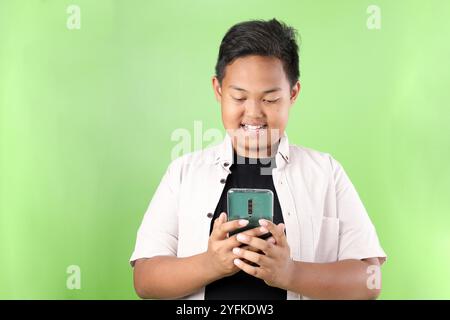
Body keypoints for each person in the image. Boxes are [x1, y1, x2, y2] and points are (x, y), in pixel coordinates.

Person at [130, 18, 386, 300]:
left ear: (293, 93)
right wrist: (210, 264)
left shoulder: (325, 173)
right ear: (218, 90)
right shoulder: (183, 173)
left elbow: (369, 281)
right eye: (239, 97)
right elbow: (145, 279)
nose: (253, 113)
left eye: (270, 99)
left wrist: (291, 274)